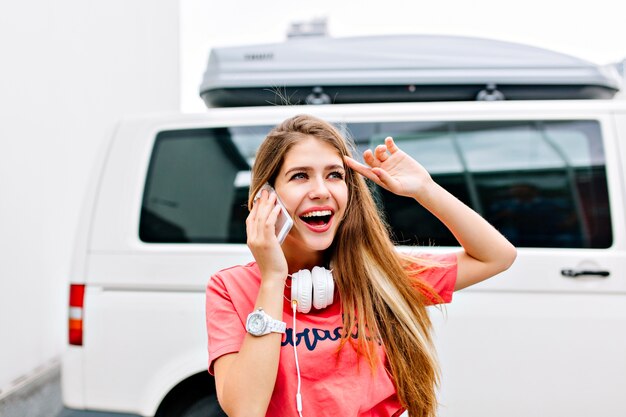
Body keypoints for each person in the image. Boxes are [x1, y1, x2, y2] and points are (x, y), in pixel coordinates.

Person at [205, 114, 517, 417]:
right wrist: (273, 278)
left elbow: (497, 256)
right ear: (265, 197)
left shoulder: (379, 274)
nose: (321, 191)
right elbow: (245, 409)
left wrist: (424, 189)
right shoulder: (230, 288)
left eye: (334, 175)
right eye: (300, 175)